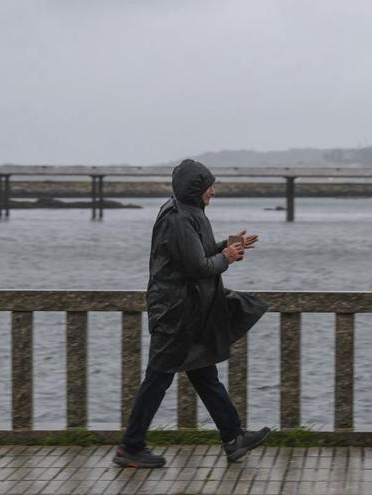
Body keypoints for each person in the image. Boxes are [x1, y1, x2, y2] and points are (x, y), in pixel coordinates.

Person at [113, 159, 270, 469]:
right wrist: (226, 257)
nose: (213, 191)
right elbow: (196, 267)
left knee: (205, 373)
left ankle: (233, 437)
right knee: (158, 378)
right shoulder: (178, 219)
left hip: (188, 311)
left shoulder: (187, 212)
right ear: (196, 190)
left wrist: (227, 245)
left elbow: (197, 252)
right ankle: (130, 447)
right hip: (175, 313)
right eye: (208, 186)